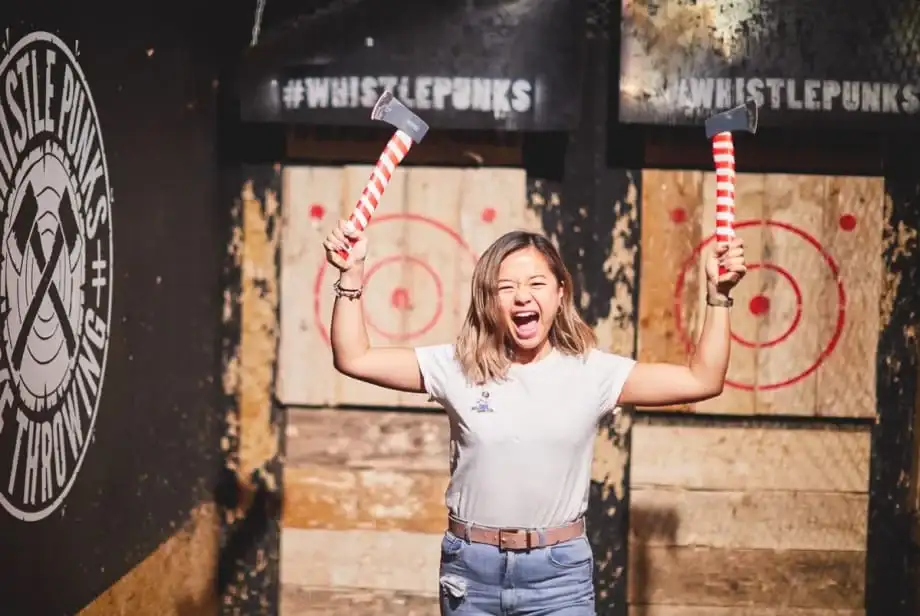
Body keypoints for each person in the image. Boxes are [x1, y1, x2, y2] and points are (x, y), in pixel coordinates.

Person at [322, 219, 746, 615]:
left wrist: (718, 295)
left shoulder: (591, 373)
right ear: (490, 300)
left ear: (560, 292)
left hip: (558, 576)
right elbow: (354, 357)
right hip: (470, 574)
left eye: (536, 284)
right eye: (505, 287)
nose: (522, 296)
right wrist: (351, 276)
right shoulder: (456, 366)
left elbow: (702, 379)